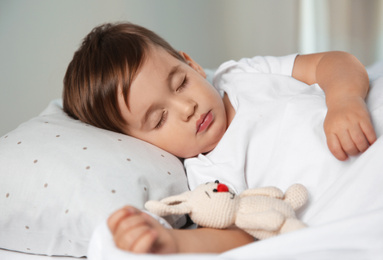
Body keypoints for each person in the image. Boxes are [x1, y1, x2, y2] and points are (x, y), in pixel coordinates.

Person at [63, 22, 377, 254]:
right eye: (159, 119)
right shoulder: (207, 172)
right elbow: (238, 237)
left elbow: (332, 62)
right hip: (354, 198)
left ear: (193, 65)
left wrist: (345, 99)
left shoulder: (241, 75)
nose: (187, 108)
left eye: (181, 82)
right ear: (143, 144)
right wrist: (172, 242)